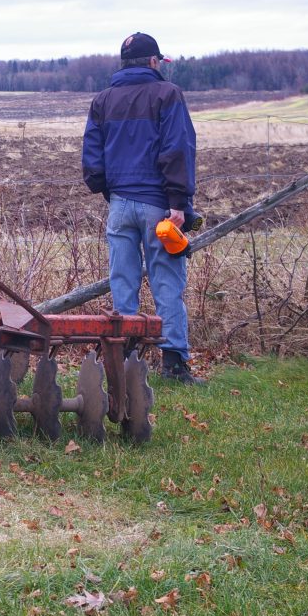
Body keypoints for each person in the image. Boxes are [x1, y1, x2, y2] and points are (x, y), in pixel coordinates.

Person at [81, 31, 203, 384]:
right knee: (167, 284)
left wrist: (109, 190)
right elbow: (178, 149)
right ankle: (175, 364)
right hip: (160, 209)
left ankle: (125, 362)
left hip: (119, 205)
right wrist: (178, 203)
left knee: (123, 284)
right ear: (154, 62)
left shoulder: (103, 100)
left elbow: (92, 156)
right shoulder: (168, 94)